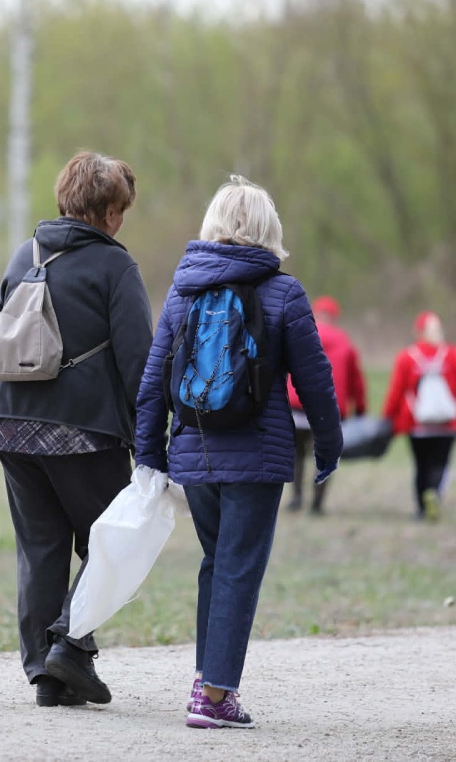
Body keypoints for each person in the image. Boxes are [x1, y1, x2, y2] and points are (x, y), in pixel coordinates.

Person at [133, 175, 343, 729]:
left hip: (194, 455)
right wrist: (329, 444)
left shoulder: (184, 290)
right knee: (238, 569)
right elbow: (315, 379)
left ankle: (208, 679)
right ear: (268, 230)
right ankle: (215, 697)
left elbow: (154, 381)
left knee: (216, 563)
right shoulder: (284, 293)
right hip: (258, 455)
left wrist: (149, 453)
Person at [0, 151, 153, 708]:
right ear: (104, 210)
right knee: (112, 543)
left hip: (9, 424)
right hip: (83, 431)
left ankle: (45, 674)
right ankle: (69, 649)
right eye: (120, 210)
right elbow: (138, 362)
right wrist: (152, 437)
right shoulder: (115, 267)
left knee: (40, 547)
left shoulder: (22, 255)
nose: (122, 220)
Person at [381, 311, 456, 522]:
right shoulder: (451, 355)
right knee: (440, 464)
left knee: (421, 465)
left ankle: (421, 508)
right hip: (447, 424)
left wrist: (387, 417)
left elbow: (396, 391)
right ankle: (433, 494)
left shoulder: (407, 357)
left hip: (417, 425)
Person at [286, 295, 366, 514]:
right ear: (334, 317)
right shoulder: (344, 341)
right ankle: (317, 504)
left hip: (296, 406)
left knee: (297, 455)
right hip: (327, 409)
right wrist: (360, 408)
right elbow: (356, 380)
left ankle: (296, 498)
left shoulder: (298, 334)